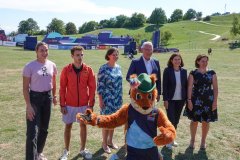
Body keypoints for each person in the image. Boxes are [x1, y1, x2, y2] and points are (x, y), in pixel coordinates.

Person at [59, 46, 96, 160]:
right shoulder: (66, 70)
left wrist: (90, 104)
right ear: (72, 56)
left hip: (84, 105)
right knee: (68, 126)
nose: (80, 57)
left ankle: (83, 149)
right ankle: (66, 150)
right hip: (69, 104)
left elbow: (92, 88)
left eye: (81, 55)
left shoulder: (88, 70)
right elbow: (62, 87)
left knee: (83, 126)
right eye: (77, 55)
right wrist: (62, 104)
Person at [23, 42, 57, 160]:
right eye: (41, 50)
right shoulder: (29, 66)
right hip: (34, 100)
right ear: (36, 52)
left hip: (47, 99)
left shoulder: (52, 65)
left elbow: (53, 82)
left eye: (46, 50)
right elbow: (25, 88)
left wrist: (54, 96)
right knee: (32, 132)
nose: (44, 53)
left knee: (44, 129)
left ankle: (39, 153)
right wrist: (28, 106)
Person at [183, 54, 218, 150]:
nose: (205, 63)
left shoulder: (212, 73)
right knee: (194, 121)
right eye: (203, 61)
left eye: (206, 61)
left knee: (206, 121)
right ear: (198, 61)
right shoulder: (193, 73)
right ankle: (192, 140)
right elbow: (189, 87)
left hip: (208, 101)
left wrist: (215, 101)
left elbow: (215, 89)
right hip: (195, 100)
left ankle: (203, 141)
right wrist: (189, 100)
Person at [97, 47, 123, 154]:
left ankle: (110, 141)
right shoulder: (103, 68)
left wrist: (120, 98)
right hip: (107, 99)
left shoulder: (119, 67)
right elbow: (100, 86)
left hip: (117, 98)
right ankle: (104, 143)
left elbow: (120, 84)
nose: (115, 56)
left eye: (117, 54)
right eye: (113, 54)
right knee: (106, 122)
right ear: (108, 56)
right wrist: (101, 100)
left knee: (114, 121)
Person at [162, 53, 187, 149]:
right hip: (170, 100)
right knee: (171, 120)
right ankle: (167, 140)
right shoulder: (167, 71)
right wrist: (165, 99)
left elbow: (185, 85)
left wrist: (185, 99)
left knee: (176, 121)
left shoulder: (184, 71)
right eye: (175, 59)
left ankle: (172, 139)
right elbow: (165, 86)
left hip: (180, 100)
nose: (177, 61)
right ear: (171, 61)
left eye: (179, 59)